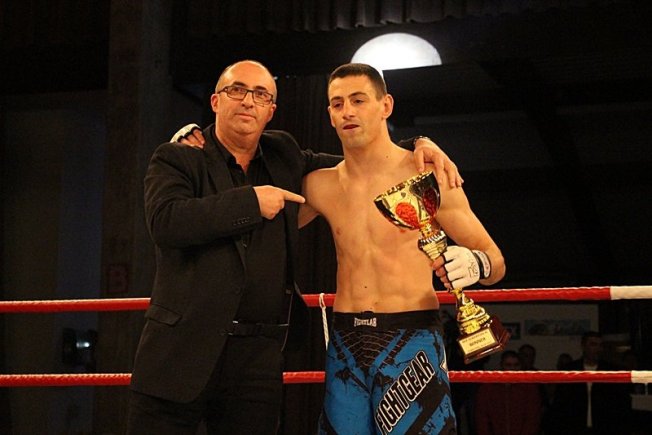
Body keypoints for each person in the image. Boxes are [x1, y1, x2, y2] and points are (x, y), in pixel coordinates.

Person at [129, 59, 462, 434]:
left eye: (261, 95)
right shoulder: (177, 157)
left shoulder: (282, 154)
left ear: (271, 110)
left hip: (256, 360)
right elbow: (166, 222)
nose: (248, 101)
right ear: (215, 101)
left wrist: (416, 147)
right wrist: (251, 202)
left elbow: (359, 167)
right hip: (180, 353)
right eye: (237, 90)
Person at [299, 63, 506, 434]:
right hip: (346, 340)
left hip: (411, 335)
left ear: (386, 105)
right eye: (337, 103)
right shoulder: (319, 186)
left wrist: (475, 263)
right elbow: (260, 220)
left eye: (358, 100)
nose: (347, 111)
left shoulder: (428, 175)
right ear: (329, 115)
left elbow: (496, 261)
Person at [546, 331, 632, 435]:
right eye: (593, 344)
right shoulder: (570, 371)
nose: (598, 349)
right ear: (583, 346)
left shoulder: (611, 372)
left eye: (600, 345)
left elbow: (621, 405)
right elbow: (560, 405)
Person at [474, 350, 542, 435]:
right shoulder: (488, 388)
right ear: (502, 366)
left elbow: (532, 418)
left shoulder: (529, 388)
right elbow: (482, 418)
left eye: (516, 365)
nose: (512, 369)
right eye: (508, 365)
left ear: (520, 366)